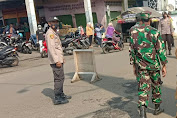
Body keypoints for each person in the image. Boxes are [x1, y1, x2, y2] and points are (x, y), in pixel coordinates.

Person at [129, 11, 168, 118]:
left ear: (140, 20)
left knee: (143, 88)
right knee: (156, 85)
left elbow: (132, 50)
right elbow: (161, 50)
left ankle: (142, 113)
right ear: (149, 20)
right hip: (154, 65)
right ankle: (157, 109)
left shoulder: (132, 31)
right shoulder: (154, 31)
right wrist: (163, 65)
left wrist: (133, 65)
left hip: (141, 65)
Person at [46, 17, 71, 105]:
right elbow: (51, 48)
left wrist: (61, 58)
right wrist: (57, 61)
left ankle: (61, 94)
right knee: (58, 79)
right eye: (53, 22)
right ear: (49, 23)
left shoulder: (55, 33)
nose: (55, 24)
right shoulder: (50, 34)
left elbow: (58, 48)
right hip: (55, 61)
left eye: (56, 22)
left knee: (61, 78)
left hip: (58, 59)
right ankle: (57, 98)